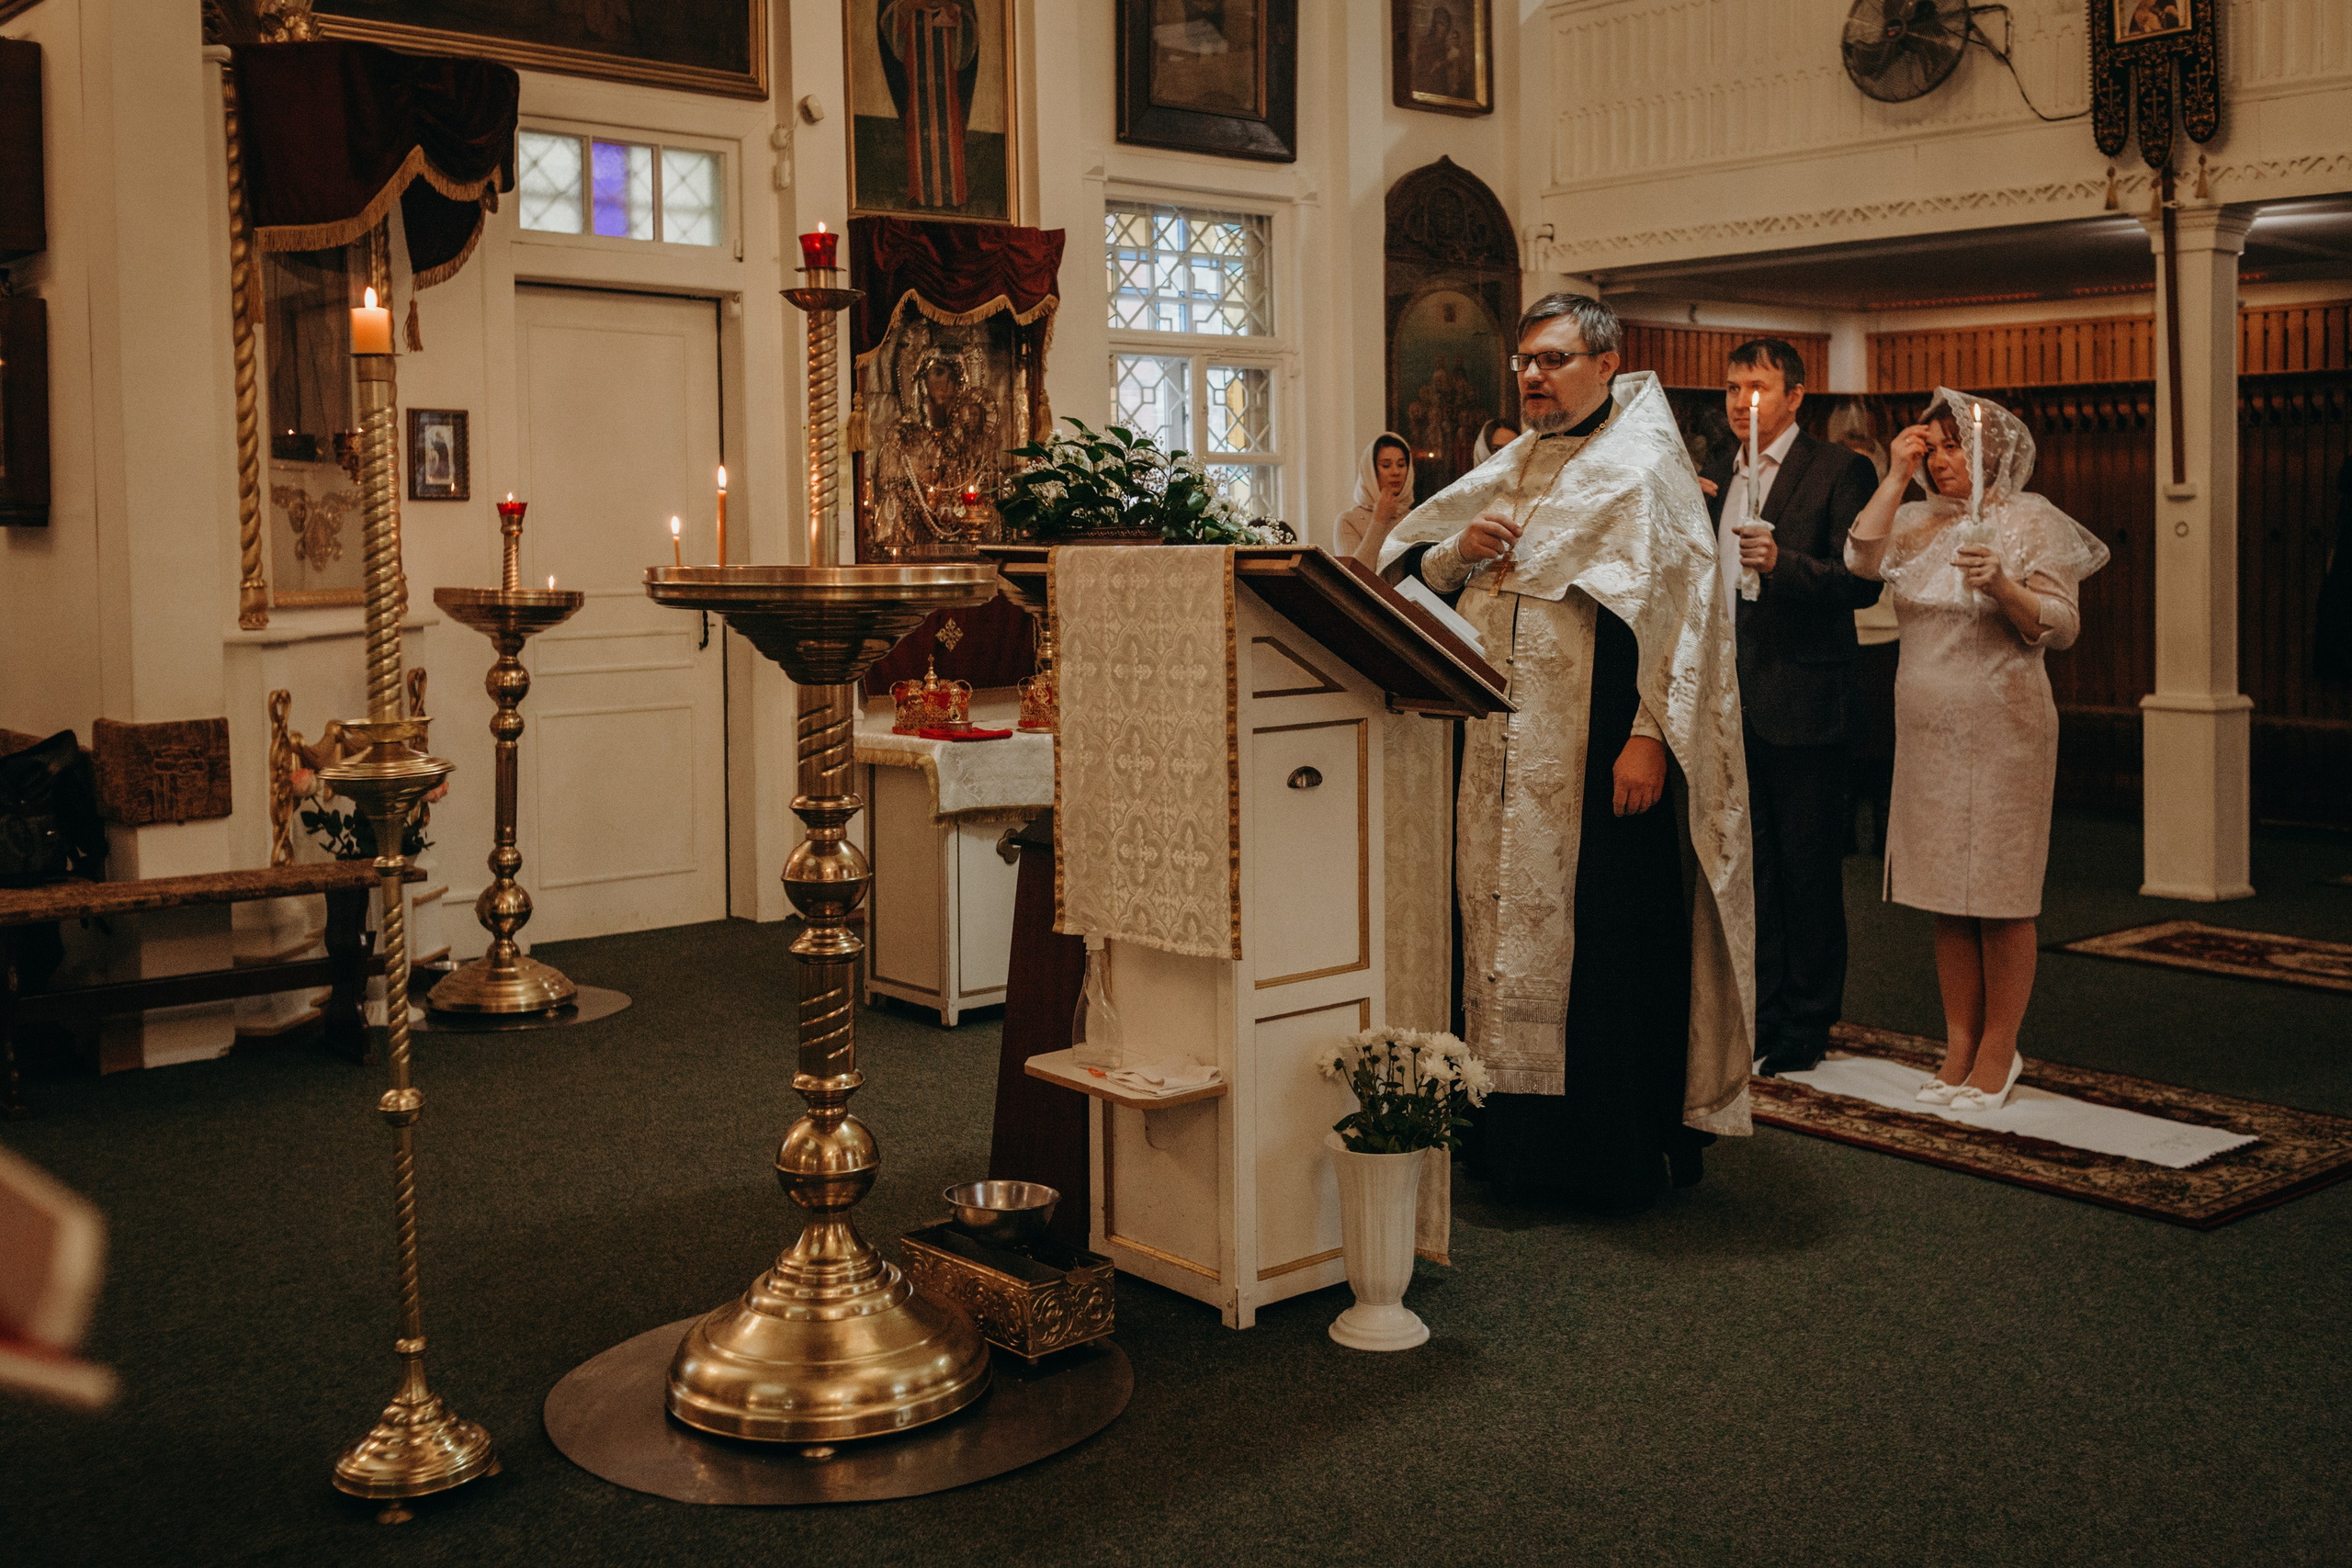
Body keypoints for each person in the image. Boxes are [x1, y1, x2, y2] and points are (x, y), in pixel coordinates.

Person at [1376, 292, 1753, 1213]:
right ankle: (1506, 1143)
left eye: (1553, 359)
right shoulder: (1511, 462)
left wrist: (1647, 738)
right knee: (1493, 929)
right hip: (1492, 750)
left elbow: (1686, 618)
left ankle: (1604, 1154)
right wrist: (1458, 549)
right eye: (1526, 362)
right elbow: (1406, 569)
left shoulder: (1644, 468)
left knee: (1605, 945)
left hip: (1596, 753)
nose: (1534, 376)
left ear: (1606, 363)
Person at [1845, 389, 2109, 1111]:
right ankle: (1959, 1041)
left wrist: (2003, 586)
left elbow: (2061, 625)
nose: (1940, 460)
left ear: (1993, 451)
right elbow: (1859, 559)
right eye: (1931, 448)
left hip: (2004, 729)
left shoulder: (2031, 519)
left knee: (1998, 892)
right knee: (1946, 896)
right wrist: (1895, 475)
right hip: (1927, 733)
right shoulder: (1913, 520)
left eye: (1952, 447)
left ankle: (2000, 1047)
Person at [1701, 340, 1883, 1077]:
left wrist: (1784, 565)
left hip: (1804, 699)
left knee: (1808, 869)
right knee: (1754, 869)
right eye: (1733, 387)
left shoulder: (1837, 468)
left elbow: (1861, 581)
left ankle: (1808, 1018)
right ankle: (1763, 1008)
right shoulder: (1721, 473)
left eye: (1759, 386)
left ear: (1796, 396)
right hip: (1731, 698)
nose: (1742, 401)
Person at [1336, 433, 1416, 565]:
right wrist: (1380, 521)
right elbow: (1352, 575)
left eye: (1401, 465)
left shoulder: (1416, 518)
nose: (1396, 472)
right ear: (1371, 471)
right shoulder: (1348, 520)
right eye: (1386, 466)